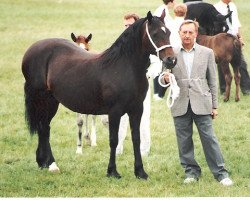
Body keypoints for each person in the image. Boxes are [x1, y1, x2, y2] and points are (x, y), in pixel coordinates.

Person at [160, 20, 233, 186]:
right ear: (179, 33)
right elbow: (161, 79)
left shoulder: (207, 53)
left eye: (190, 32)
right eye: (184, 32)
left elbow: (213, 81)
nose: (187, 35)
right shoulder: (171, 54)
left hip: (202, 103)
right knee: (184, 140)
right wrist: (164, 78)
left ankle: (221, 173)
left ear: (196, 34)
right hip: (180, 103)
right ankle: (191, 172)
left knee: (209, 139)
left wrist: (214, 106)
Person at [116, 13, 151, 156]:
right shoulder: (120, 43)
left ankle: (144, 150)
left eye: (130, 25)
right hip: (123, 87)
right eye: (125, 25)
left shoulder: (146, 43)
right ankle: (117, 149)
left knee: (143, 117)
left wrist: (145, 74)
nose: (127, 28)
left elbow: (156, 64)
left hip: (142, 87)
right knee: (120, 117)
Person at [214, 0, 250, 95]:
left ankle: (246, 89)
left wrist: (240, 38)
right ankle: (223, 90)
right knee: (223, 65)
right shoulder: (216, 7)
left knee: (241, 63)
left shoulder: (233, 6)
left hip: (234, 40)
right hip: (223, 41)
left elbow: (236, 24)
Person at [153, 0, 176, 100]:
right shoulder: (162, 11)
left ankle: (158, 93)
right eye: (174, 1)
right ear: (170, 2)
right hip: (161, 43)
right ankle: (157, 93)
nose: (175, 3)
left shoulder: (164, 10)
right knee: (158, 68)